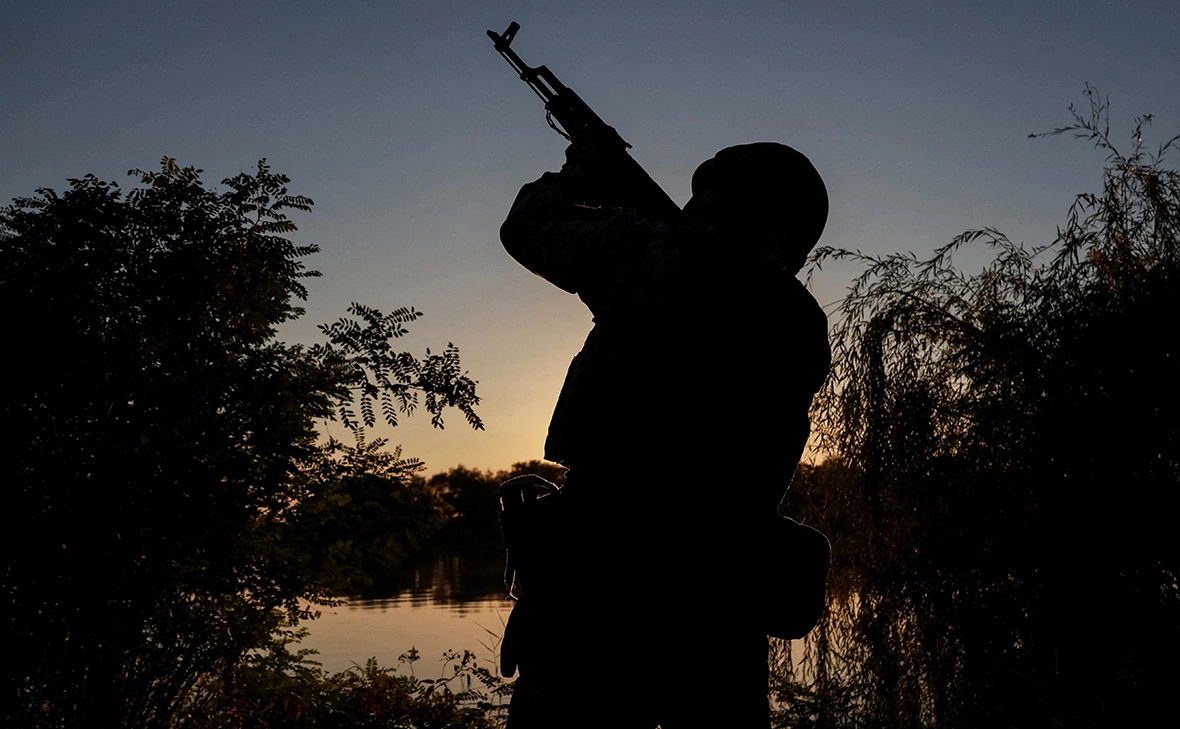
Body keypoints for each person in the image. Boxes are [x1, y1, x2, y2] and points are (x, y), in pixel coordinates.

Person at [498, 141, 831, 728]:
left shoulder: (656, 250)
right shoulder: (802, 317)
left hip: (600, 589)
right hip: (722, 595)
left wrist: (583, 172)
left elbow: (527, 226)